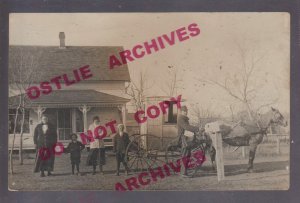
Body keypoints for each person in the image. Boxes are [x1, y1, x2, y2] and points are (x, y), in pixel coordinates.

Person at [177, 106, 199, 178]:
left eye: (186, 111)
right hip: (183, 138)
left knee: (187, 155)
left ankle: (184, 172)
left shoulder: (184, 118)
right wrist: (197, 129)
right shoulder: (181, 118)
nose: (185, 112)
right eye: (184, 111)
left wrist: (195, 129)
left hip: (187, 138)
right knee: (185, 155)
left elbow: (188, 127)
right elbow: (186, 127)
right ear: (181, 111)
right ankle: (183, 173)